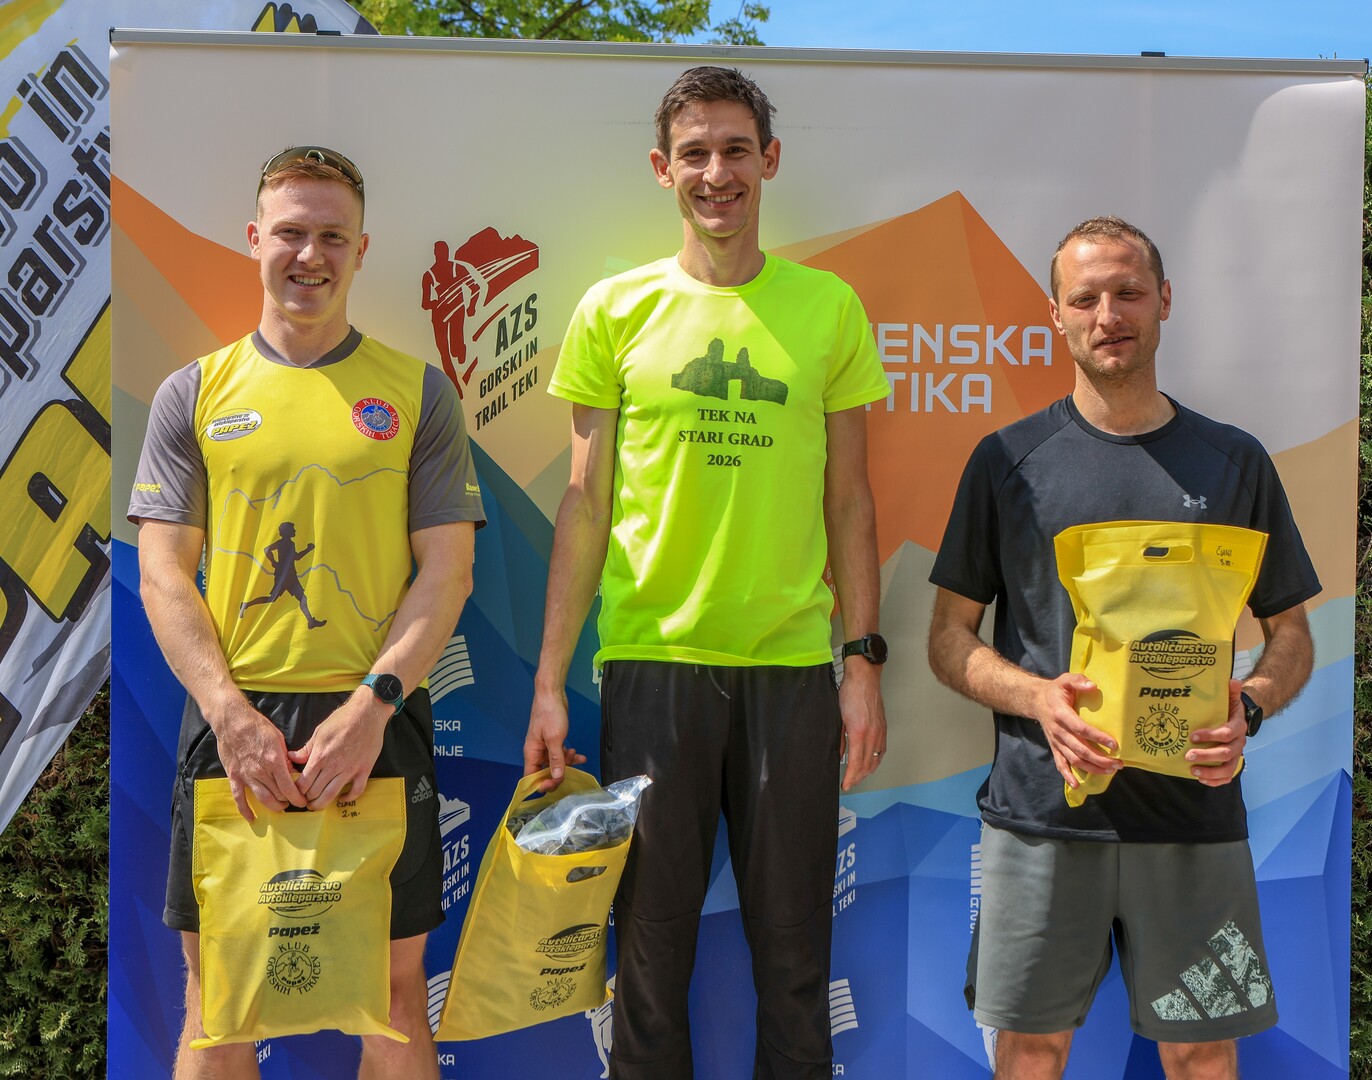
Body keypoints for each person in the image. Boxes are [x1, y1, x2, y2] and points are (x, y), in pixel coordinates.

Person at [523, 66, 891, 1080]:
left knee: (795, 959)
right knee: (646, 960)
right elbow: (584, 504)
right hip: (653, 666)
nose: (715, 172)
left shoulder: (828, 308)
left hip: (790, 671)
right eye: (694, 153)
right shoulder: (614, 308)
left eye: (734, 150)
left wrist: (861, 663)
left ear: (768, 160)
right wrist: (551, 680)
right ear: (662, 168)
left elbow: (851, 503)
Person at [927, 216, 1320, 1080]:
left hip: (1193, 819)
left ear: (1163, 301)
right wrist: (1037, 698)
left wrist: (1249, 707)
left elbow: (1290, 634)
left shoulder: (1234, 460)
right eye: (1085, 298)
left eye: (1128, 292)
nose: (1107, 315)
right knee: (1029, 1052)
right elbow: (948, 640)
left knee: (1201, 1054)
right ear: (1056, 315)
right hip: (1041, 815)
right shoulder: (1005, 461)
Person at [129, 145, 485, 1079]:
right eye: (291, 233)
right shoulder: (193, 393)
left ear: (362, 250)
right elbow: (162, 574)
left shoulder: (419, 393)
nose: (310, 255)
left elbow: (447, 573)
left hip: (376, 721)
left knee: (395, 1004)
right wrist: (229, 714)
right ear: (255, 239)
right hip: (234, 723)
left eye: (332, 236)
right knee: (219, 1007)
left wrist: (370, 709)